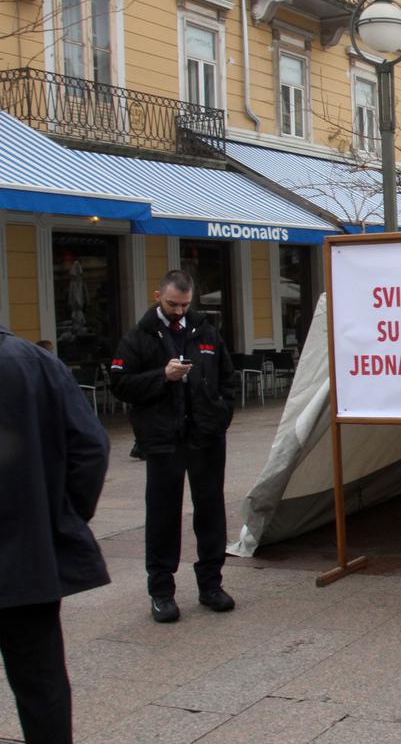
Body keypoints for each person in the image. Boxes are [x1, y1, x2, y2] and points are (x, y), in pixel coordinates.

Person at [0, 325, 111, 744]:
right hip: (30, 557)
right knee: (41, 683)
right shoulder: (37, 363)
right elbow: (91, 448)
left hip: (28, 552)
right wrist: (60, 518)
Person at [109, 270, 237, 624]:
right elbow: (119, 384)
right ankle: (162, 592)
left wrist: (222, 413)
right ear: (157, 296)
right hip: (163, 439)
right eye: (171, 304)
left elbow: (227, 376)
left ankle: (211, 585)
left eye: (184, 304)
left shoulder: (206, 330)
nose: (179, 310)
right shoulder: (139, 336)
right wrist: (161, 377)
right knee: (163, 515)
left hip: (206, 436)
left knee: (210, 510)